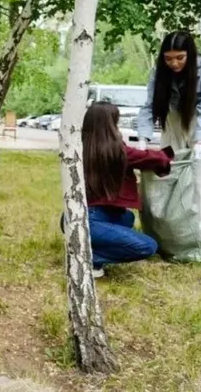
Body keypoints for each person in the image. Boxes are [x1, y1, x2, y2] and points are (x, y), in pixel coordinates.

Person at [136, 30, 201, 255]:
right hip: (172, 121)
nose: (173, 63)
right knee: (168, 175)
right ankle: (170, 235)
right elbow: (149, 105)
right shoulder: (158, 72)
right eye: (168, 58)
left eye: (180, 58)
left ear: (190, 54)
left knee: (200, 181)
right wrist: (143, 137)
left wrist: (200, 140)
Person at [67, 102, 173, 278]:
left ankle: (83, 244)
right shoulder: (117, 150)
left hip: (74, 215)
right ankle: (87, 258)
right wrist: (171, 155)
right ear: (111, 124)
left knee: (127, 218)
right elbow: (153, 158)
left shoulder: (78, 147)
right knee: (147, 246)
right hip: (90, 220)